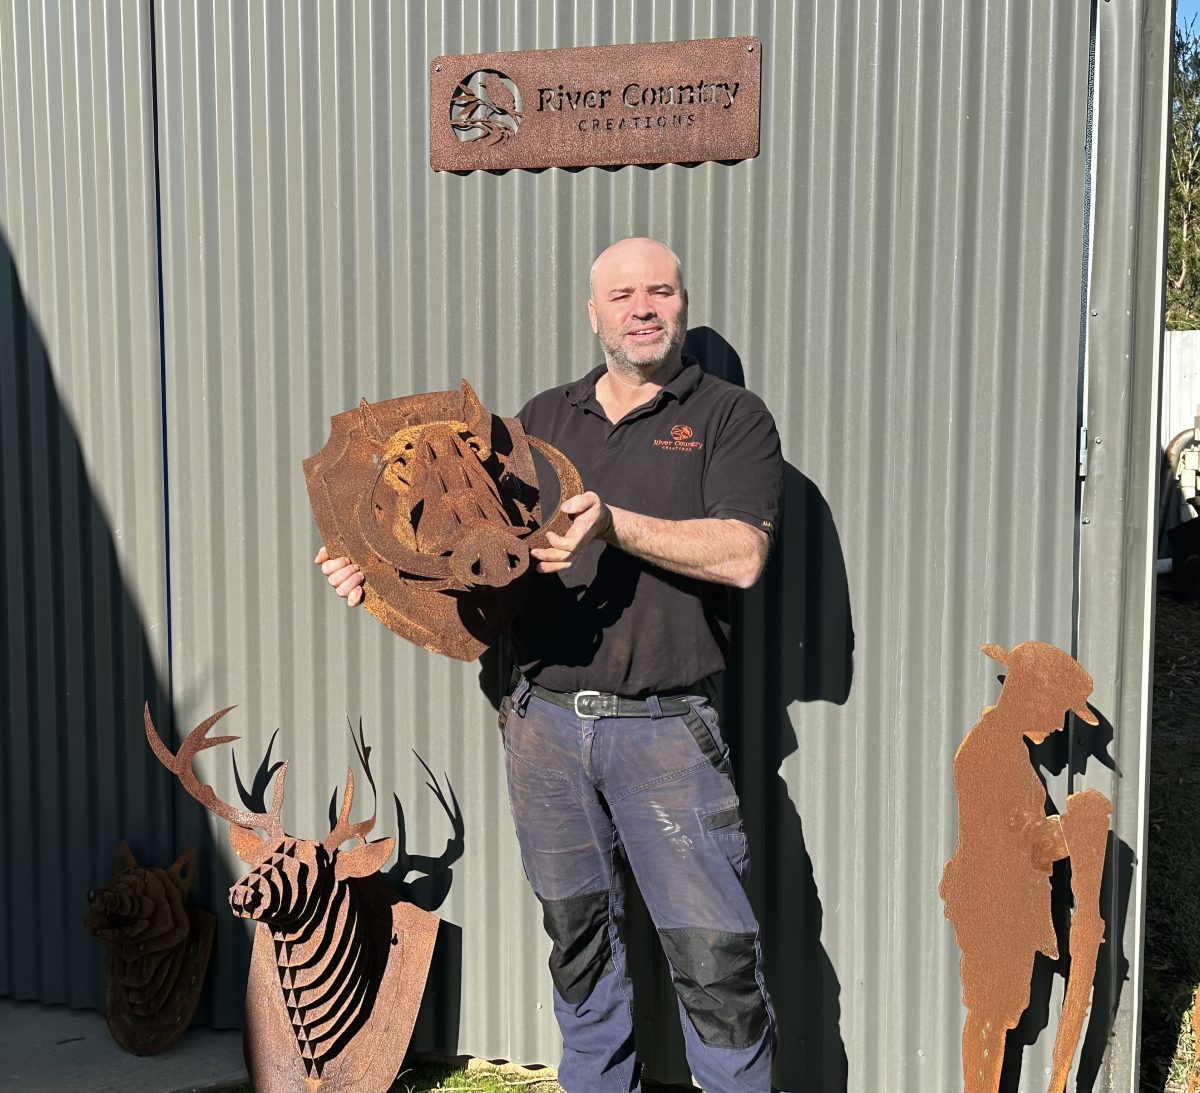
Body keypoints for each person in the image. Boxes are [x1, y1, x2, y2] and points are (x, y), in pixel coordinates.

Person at [317, 237, 783, 1093]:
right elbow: (481, 566)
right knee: (578, 946)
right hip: (545, 727)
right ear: (593, 312)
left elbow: (743, 554)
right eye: (622, 295)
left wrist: (614, 524)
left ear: (682, 303)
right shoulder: (540, 421)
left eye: (660, 291)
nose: (642, 308)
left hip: (666, 733)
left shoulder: (728, 416)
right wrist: (380, 578)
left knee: (715, 961)